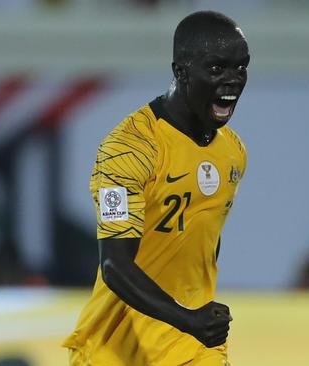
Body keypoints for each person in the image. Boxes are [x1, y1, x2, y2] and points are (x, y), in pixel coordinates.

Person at [62, 10, 250, 366]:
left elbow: (203, 238)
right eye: (216, 69)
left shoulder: (233, 153)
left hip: (189, 350)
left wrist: (197, 317)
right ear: (180, 71)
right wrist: (188, 318)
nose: (232, 81)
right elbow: (115, 266)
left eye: (241, 67)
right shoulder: (129, 148)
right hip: (115, 348)